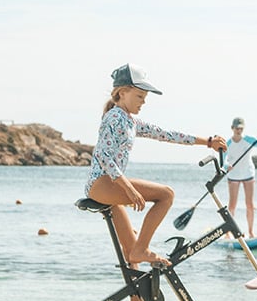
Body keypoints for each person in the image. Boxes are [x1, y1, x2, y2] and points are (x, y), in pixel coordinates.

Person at [85, 63, 227, 275]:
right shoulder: (114, 117)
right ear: (122, 93)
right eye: (140, 96)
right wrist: (129, 189)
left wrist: (207, 142)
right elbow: (103, 156)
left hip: (108, 185)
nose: (143, 102)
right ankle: (143, 249)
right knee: (166, 195)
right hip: (103, 183)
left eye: (145, 98)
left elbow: (166, 134)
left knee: (130, 250)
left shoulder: (130, 121)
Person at [224, 117, 257, 238]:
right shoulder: (228, 143)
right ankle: (228, 232)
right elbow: (223, 160)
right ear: (232, 128)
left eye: (241, 128)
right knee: (232, 205)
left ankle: (250, 232)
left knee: (249, 204)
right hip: (233, 176)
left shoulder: (249, 140)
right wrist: (227, 165)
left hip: (248, 174)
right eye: (236, 128)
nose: (238, 130)